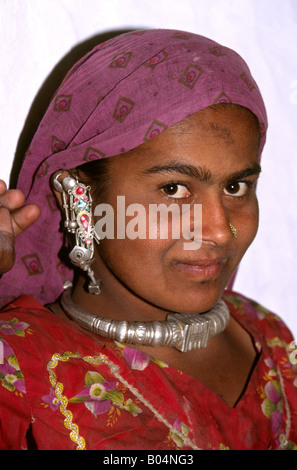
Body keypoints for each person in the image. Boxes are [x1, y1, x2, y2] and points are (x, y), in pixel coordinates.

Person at [0, 28, 296, 451]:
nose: (218, 230)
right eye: (174, 189)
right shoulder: (16, 369)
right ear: (80, 195)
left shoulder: (266, 334)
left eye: (237, 187)